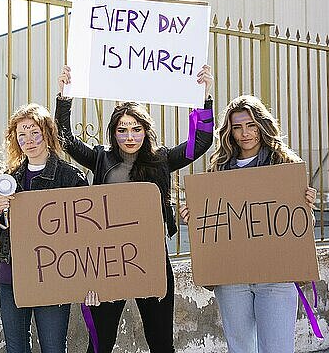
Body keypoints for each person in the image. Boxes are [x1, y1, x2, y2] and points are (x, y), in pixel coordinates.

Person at [56, 64, 215, 353]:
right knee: (100, 343)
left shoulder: (162, 159)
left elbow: (201, 142)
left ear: (145, 130)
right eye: (122, 130)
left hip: (152, 259)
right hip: (108, 261)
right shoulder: (101, 160)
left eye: (136, 129)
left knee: (161, 342)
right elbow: (65, 138)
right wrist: (65, 96)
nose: (129, 136)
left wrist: (204, 97)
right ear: (113, 134)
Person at [179, 94, 317, 353]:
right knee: (240, 348)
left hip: (277, 276)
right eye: (237, 127)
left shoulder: (285, 164)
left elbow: (299, 226)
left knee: (277, 348)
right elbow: (215, 225)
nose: (245, 133)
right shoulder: (219, 169)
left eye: (251, 125)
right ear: (229, 132)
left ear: (262, 125)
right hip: (233, 278)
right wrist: (194, 220)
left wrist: (306, 205)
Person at [0, 103, 88, 352]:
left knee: (53, 347)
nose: (28, 140)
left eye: (34, 132)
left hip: (53, 276)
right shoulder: (11, 178)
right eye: (22, 134)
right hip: (13, 277)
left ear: (47, 133)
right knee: (16, 347)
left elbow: (84, 234)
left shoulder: (70, 177)